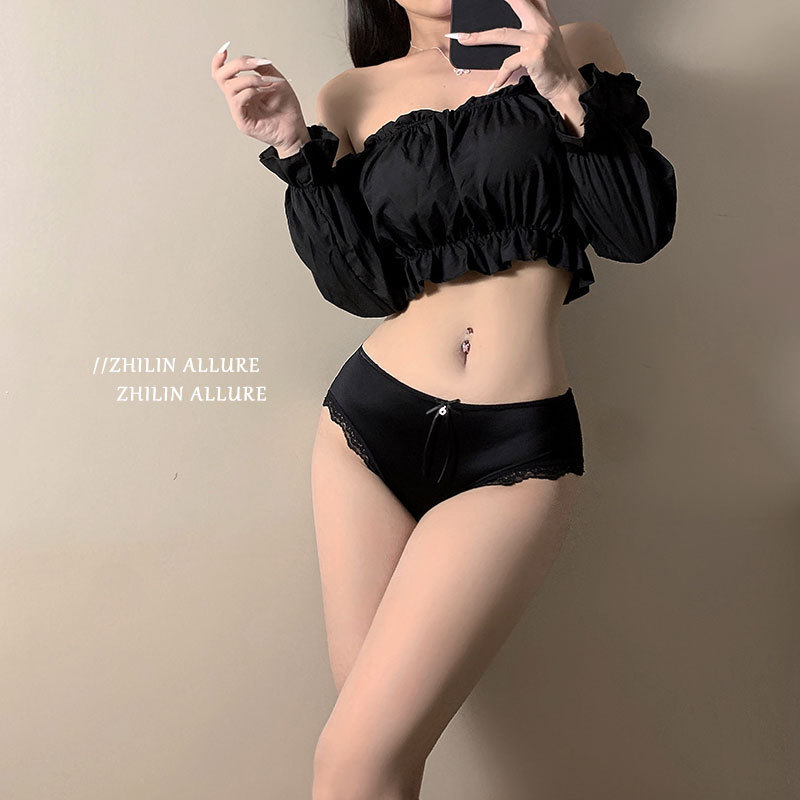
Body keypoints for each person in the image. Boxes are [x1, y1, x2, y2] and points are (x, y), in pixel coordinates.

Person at [212, 1, 677, 797]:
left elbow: (636, 231)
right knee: (378, 762)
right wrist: (292, 144)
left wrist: (564, 89)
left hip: (513, 451)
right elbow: (364, 290)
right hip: (366, 431)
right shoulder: (351, 94)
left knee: (352, 763)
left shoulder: (576, 47)